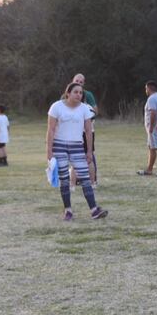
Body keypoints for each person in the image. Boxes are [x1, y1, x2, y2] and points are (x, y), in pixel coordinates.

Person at [46, 82, 108, 221]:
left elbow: (88, 131)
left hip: (77, 146)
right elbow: (50, 130)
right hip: (59, 146)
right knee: (64, 180)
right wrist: (49, 151)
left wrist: (89, 151)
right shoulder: (56, 107)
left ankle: (94, 210)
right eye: (76, 92)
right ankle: (68, 211)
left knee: (85, 179)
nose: (78, 95)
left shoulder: (85, 109)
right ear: (68, 93)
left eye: (81, 93)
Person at [71, 73, 99, 185]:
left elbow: (95, 112)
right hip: (72, 131)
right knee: (74, 156)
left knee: (89, 154)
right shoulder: (67, 95)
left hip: (86, 131)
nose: (78, 83)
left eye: (81, 82)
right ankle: (75, 180)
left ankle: (93, 180)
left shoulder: (88, 96)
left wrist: (86, 119)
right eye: (76, 81)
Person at [138, 81, 157, 177]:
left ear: (149, 88)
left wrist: (151, 126)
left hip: (154, 128)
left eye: (146, 88)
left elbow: (153, 113)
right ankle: (149, 169)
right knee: (152, 148)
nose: (145, 90)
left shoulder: (151, 98)